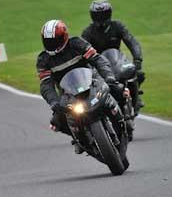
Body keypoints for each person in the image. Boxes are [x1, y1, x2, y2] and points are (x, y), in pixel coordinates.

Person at [36, 20, 124, 153]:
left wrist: (109, 77)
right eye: (48, 41)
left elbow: (98, 59)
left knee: (117, 89)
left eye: (55, 40)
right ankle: (78, 138)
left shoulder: (77, 43)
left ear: (64, 37)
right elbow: (46, 85)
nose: (52, 44)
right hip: (68, 93)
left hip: (91, 82)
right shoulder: (43, 59)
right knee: (56, 122)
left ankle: (122, 120)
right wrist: (54, 102)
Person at [82, 0, 145, 112]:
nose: (101, 18)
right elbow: (82, 52)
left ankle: (136, 99)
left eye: (104, 14)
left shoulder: (117, 26)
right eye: (98, 15)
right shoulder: (88, 32)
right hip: (99, 66)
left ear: (109, 14)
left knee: (138, 74)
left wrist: (138, 59)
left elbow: (132, 41)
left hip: (117, 61)